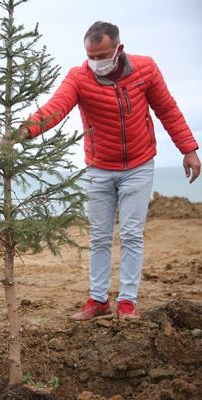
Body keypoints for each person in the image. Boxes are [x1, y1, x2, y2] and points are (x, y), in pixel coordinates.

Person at [17, 21, 200, 320]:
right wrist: (23, 132)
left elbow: (167, 108)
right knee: (100, 237)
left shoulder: (146, 69)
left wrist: (188, 149)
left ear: (118, 50)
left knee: (131, 234)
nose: (97, 62)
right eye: (92, 56)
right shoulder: (78, 77)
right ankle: (98, 300)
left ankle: (127, 302)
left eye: (103, 55)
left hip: (139, 165)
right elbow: (56, 108)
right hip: (99, 168)